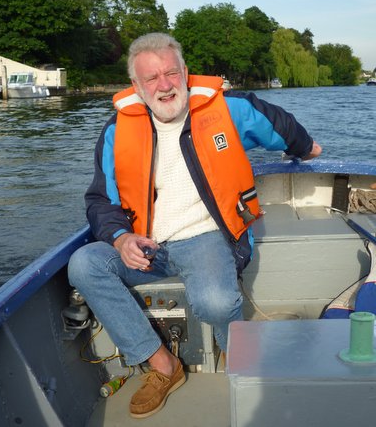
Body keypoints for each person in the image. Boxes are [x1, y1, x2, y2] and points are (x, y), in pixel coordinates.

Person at [68, 32, 322, 419]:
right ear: (136, 86)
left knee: (217, 301)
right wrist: (120, 240)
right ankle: (162, 366)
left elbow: (275, 121)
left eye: (171, 73)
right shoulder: (116, 131)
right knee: (84, 264)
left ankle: (236, 354)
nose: (165, 85)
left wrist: (305, 148)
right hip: (149, 246)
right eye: (151, 79)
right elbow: (100, 200)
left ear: (185, 73)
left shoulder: (226, 109)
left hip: (205, 238)